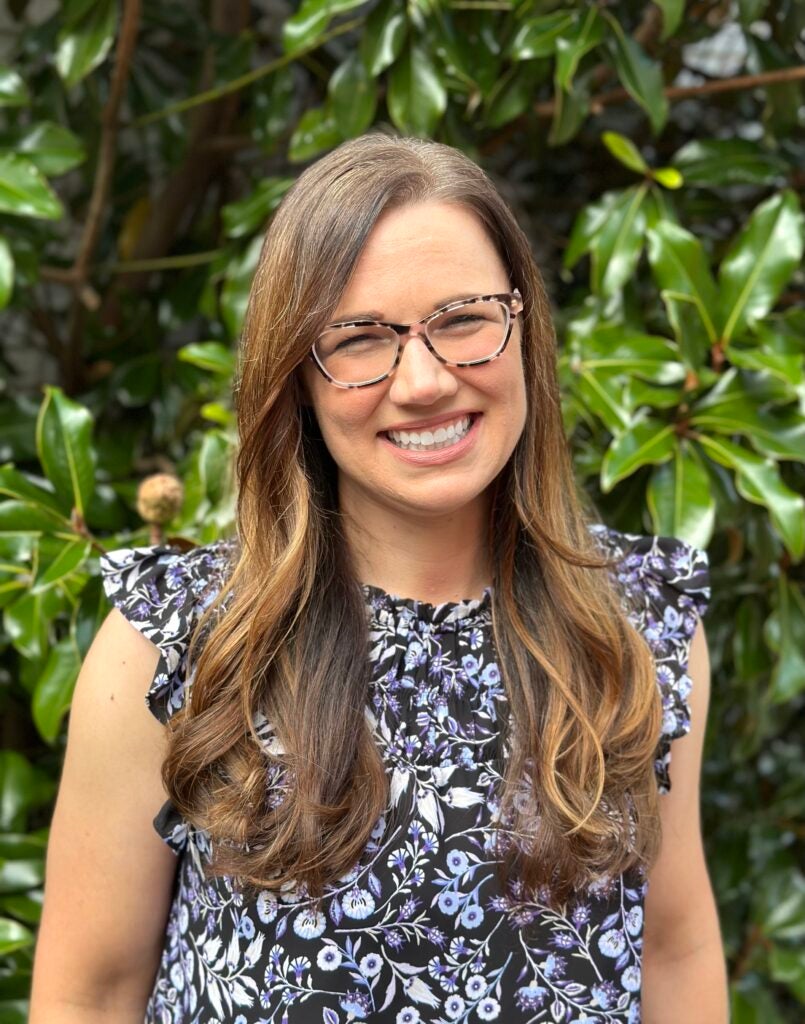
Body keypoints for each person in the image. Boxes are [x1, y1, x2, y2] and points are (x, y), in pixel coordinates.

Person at [29, 132, 728, 1023]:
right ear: (297, 376)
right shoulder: (171, 644)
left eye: (464, 318)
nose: (424, 379)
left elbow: (674, 947)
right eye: (359, 339)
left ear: (523, 325)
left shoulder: (638, 625)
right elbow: (89, 995)